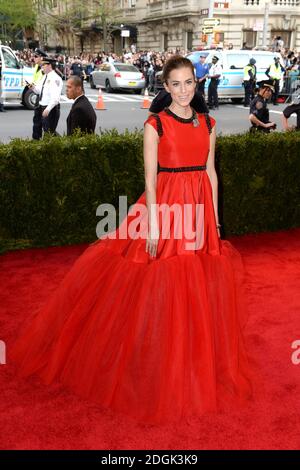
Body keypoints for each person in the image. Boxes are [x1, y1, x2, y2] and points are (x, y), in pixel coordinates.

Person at [10, 55, 252, 425]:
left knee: (197, 288)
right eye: (176, 84)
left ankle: (191, 361)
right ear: (166, 87)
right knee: (160, 287)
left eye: (189, 83)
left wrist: (216, 223)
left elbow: (211, 173)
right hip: (166, 209)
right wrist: (153, 224)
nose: (184, 90)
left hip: (200, 211)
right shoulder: (155, 124)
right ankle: (156, 365)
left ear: (195, 84)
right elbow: (151, 181)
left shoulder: (209, 122)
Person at [30, 57, 63, 139]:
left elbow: (55, 98)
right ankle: (35, 145)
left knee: (48, 132)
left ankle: (59, 143)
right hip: (40, 106)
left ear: (49, 66)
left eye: (44, 65)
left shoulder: (55, 78)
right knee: (36, 128)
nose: (42, 67)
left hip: (50, 109)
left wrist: (48, 109)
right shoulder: (44, 76)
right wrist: (32, 87)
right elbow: (39, 91)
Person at [31, 49, 48, 139]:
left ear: (41, 57)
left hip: (44, 97)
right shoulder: (36, 67)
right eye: (34, 56)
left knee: (45, 124)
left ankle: (53, 141)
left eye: (36, 56)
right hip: (38, 95)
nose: (34, 58)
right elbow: (36, 80)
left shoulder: (45, 68)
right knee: (37, 121)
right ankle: (36, 140)